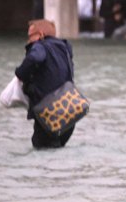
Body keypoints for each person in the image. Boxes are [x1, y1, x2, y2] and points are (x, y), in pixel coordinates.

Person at [14, 19, 78, 149]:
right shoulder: (65, 48)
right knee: (58, 150)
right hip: (69, 112)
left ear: (41, 35)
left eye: (30, 36)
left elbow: (34, 58)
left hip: (48, 114)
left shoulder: (40, 46)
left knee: (42, 150)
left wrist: (20, 74)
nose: (28, 40)